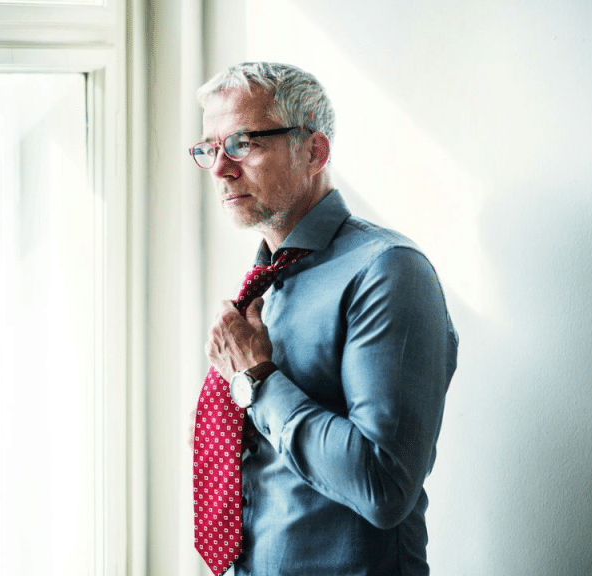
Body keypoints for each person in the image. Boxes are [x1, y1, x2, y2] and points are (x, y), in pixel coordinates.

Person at [192, 62, 458, 576]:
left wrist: (255, 380)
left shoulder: (387, 272)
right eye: (209, 148)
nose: (221, 168)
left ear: (314, 151)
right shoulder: (262, 283)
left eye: (242, 143)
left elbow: (382, 487)